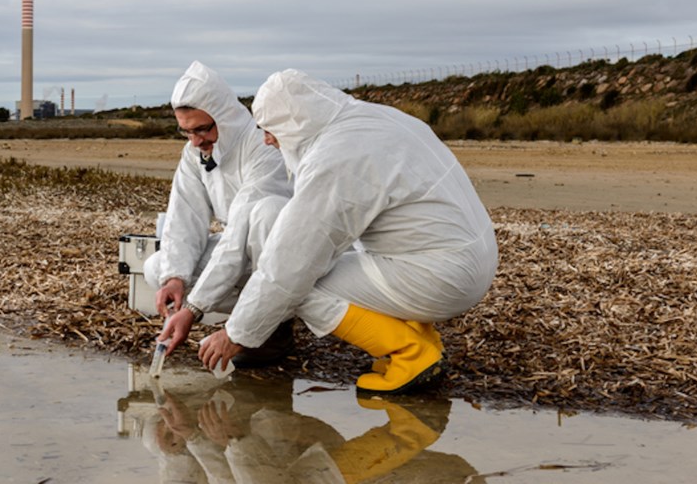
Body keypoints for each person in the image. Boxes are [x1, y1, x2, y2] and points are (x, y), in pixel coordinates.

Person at [199, 68, 498, 395]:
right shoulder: (375, 119)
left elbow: (287, 268)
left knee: (300, 285)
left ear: (293, 122)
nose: (266, 140)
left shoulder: (335, 156)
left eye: (269, 129)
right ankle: (422, 337)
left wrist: (235, 334)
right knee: (332, 261)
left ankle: (411, 354)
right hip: (467, 260)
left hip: (442, 276)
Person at [145, 61, 294, 365]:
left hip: (281, 255)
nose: (196, 141)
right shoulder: (194, 153)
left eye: (202, 129)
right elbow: (184, 218)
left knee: (266, 212)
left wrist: (194, 308)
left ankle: (273, 328)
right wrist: (175, 278)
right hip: (239, 251)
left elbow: (240, 234)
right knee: (156, 267)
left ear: (224, 118)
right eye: (186, 132)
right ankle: (253, 315)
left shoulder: (262, 147)